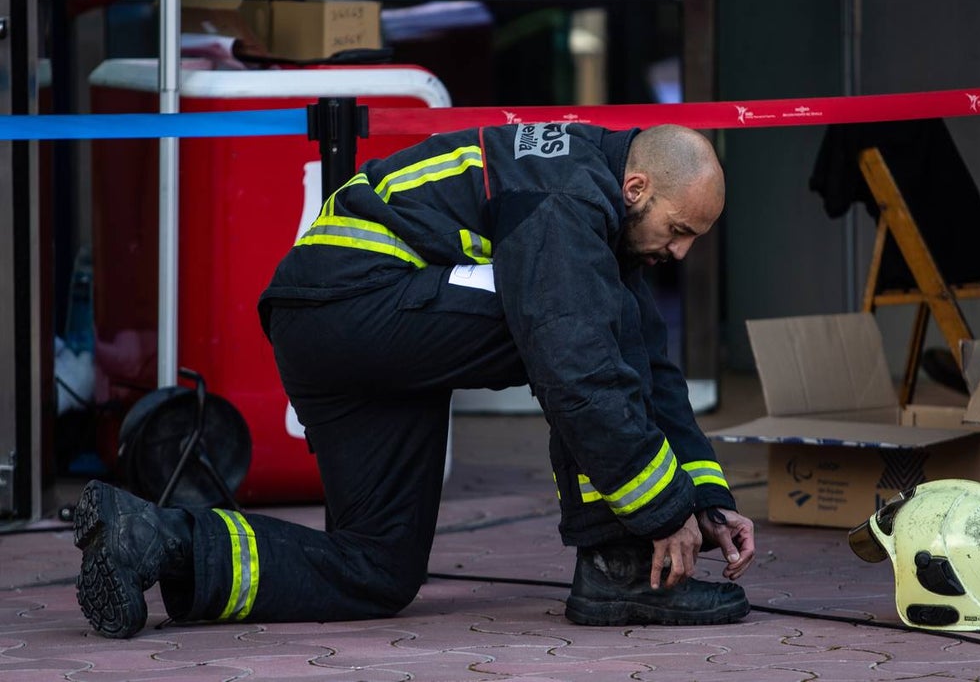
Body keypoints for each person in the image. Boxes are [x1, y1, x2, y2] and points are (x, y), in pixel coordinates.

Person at [74, 122, 756, 639]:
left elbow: (654, 372)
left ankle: (153, 539)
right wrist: (659, 511)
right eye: (678, 229)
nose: (680, 252)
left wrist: (703, 498)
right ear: (637, 188)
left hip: (338, 328)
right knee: (573, 334)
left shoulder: (598, 210)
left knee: (376, 571)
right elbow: (577, 363)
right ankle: (616, 566)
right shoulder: (566, 194)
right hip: (356, 301)